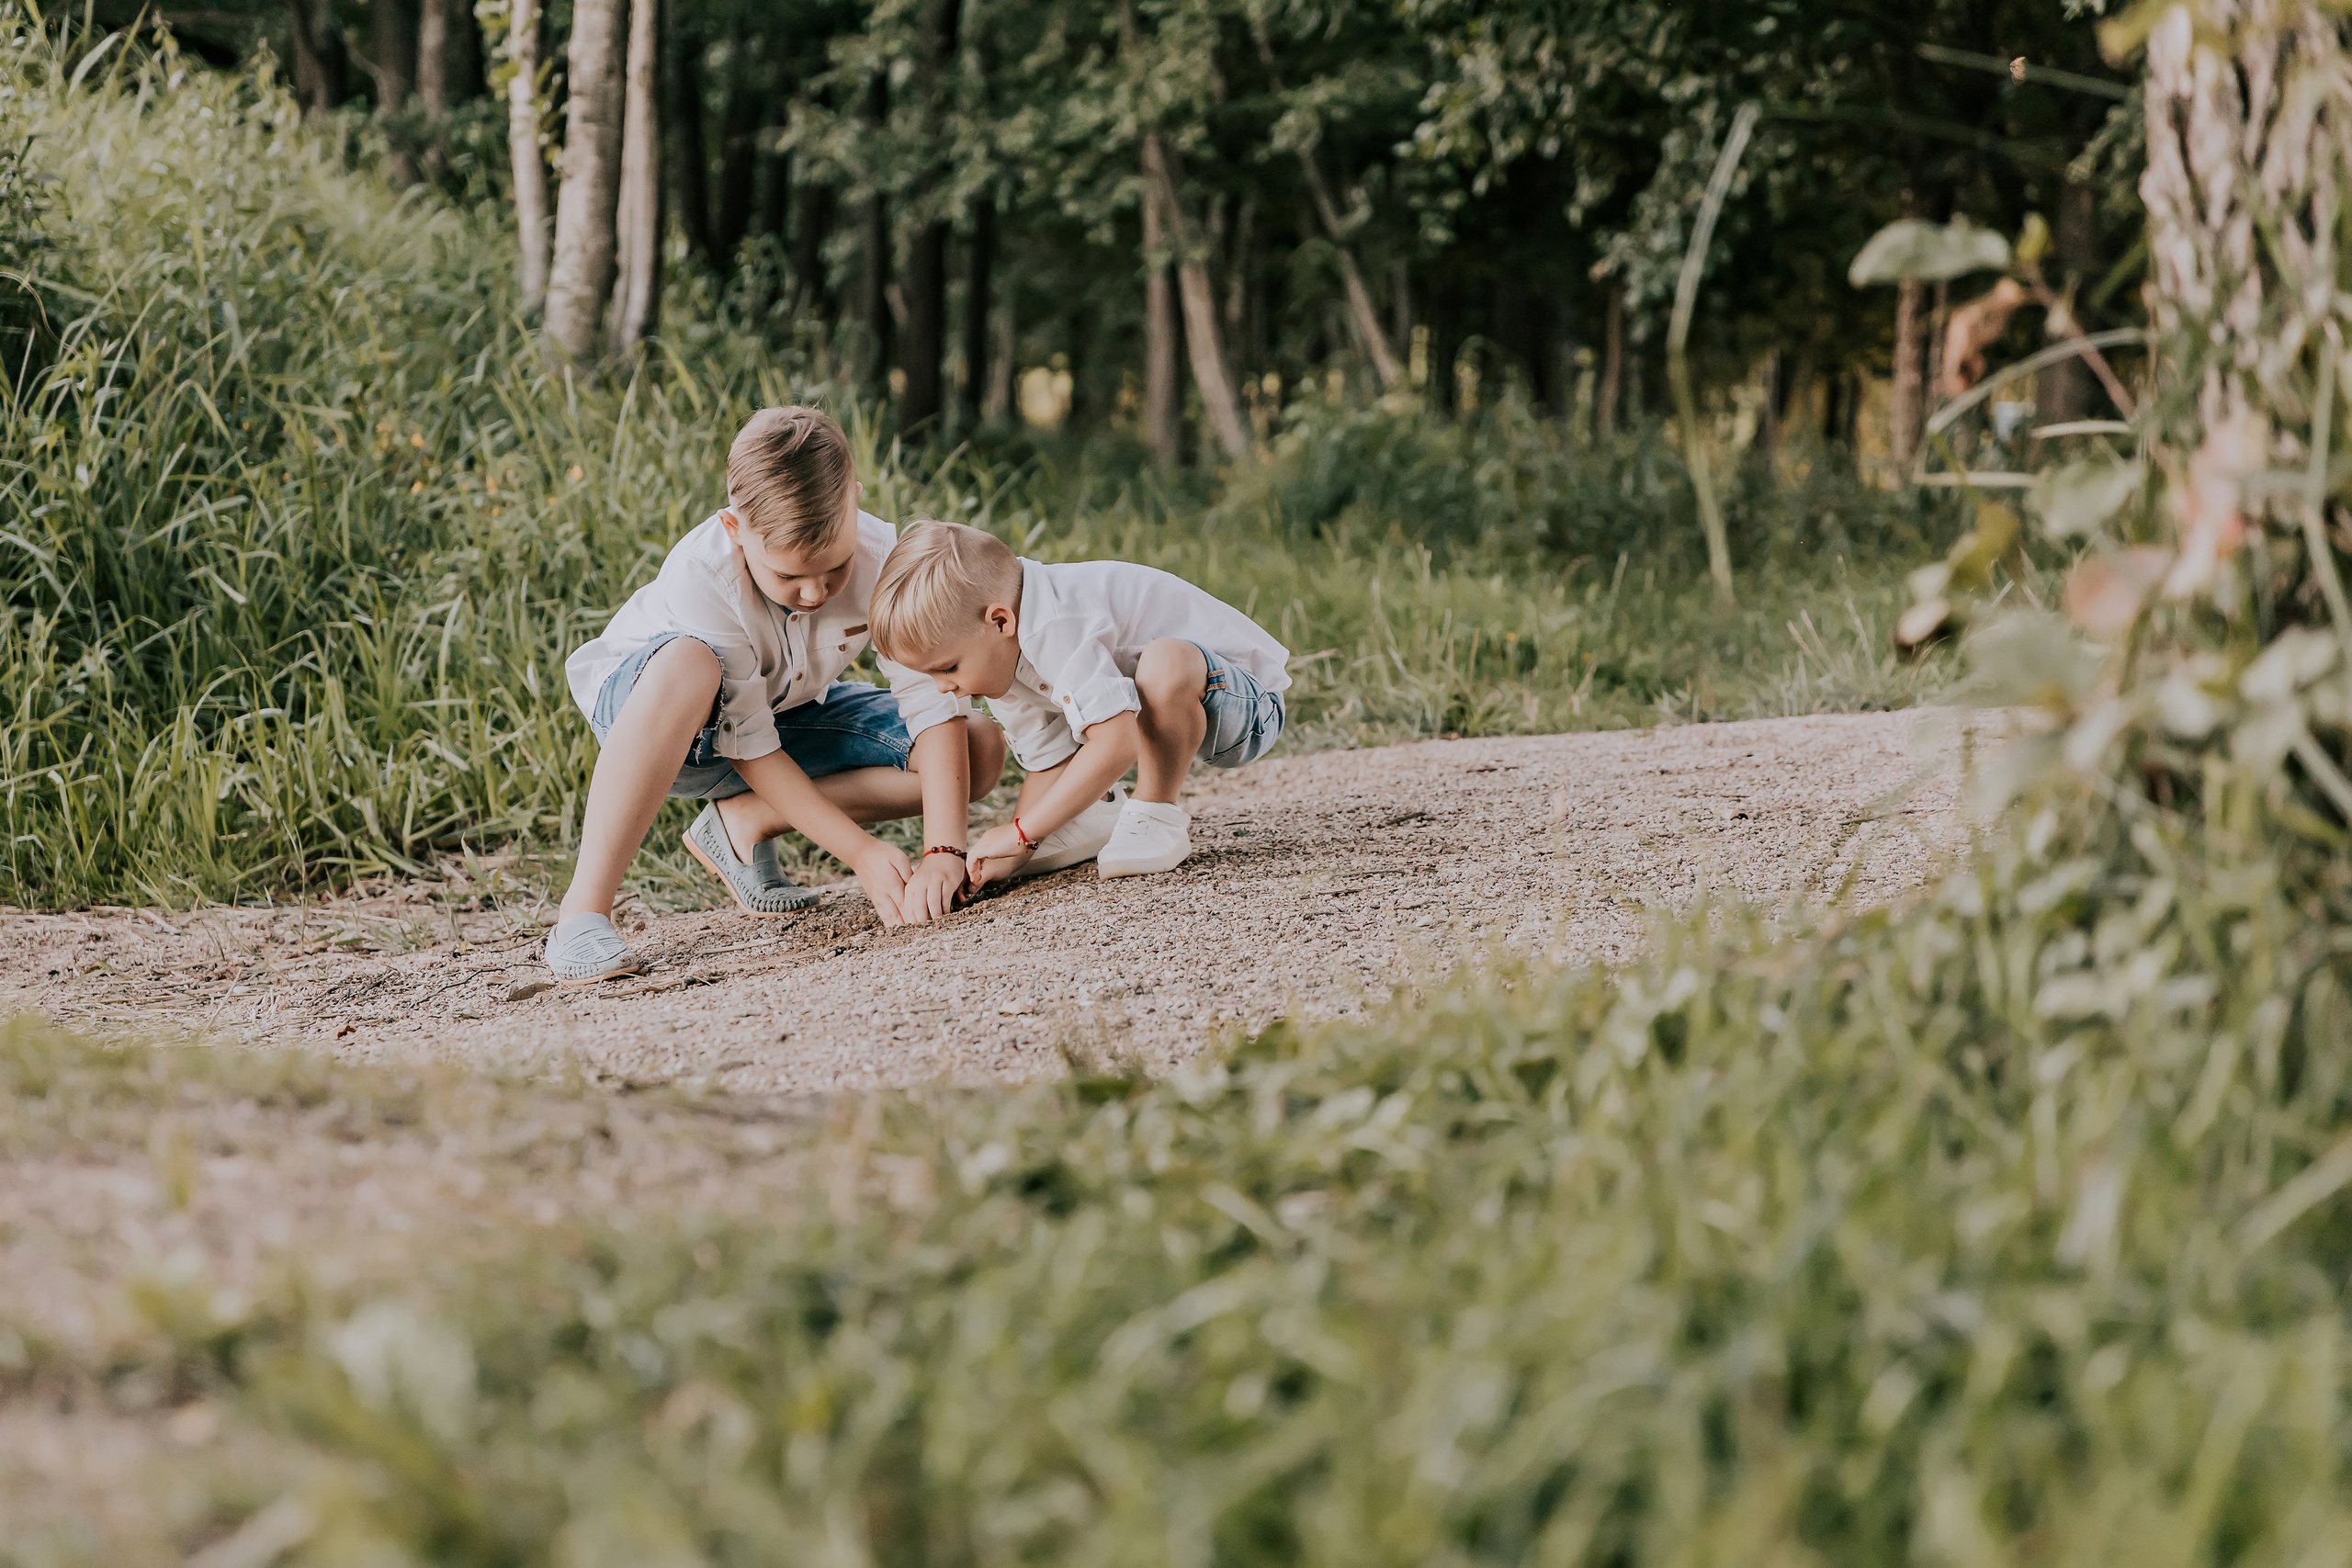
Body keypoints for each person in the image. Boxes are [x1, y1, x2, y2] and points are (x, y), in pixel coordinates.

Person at [545, 409, 1006, 982]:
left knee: (978, 746)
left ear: (855, 504)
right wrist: (860, 852)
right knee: (691, 663)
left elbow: (930, 704)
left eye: (835, 568)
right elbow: (749, 745)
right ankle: (582, 912)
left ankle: (743, 822)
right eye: (788, 577)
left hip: (786, 715)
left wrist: (943, 851)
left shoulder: (886, 557)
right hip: (668, 725)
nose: (815, 592)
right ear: (736, 529)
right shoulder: (704, 574)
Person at [867, 520, 1289, 890]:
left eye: (949, 668)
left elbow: (1116, 743)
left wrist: (1021, 832)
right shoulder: (1003, 663)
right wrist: (1010, 851)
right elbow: (1048, 763)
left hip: (1244, 706)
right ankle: (1099, 813)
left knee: (1164, 662)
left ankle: (1156, 812)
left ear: (999, 621)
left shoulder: (1057, 622)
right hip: (1178, 717)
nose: (945, 688)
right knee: (1140, 687)